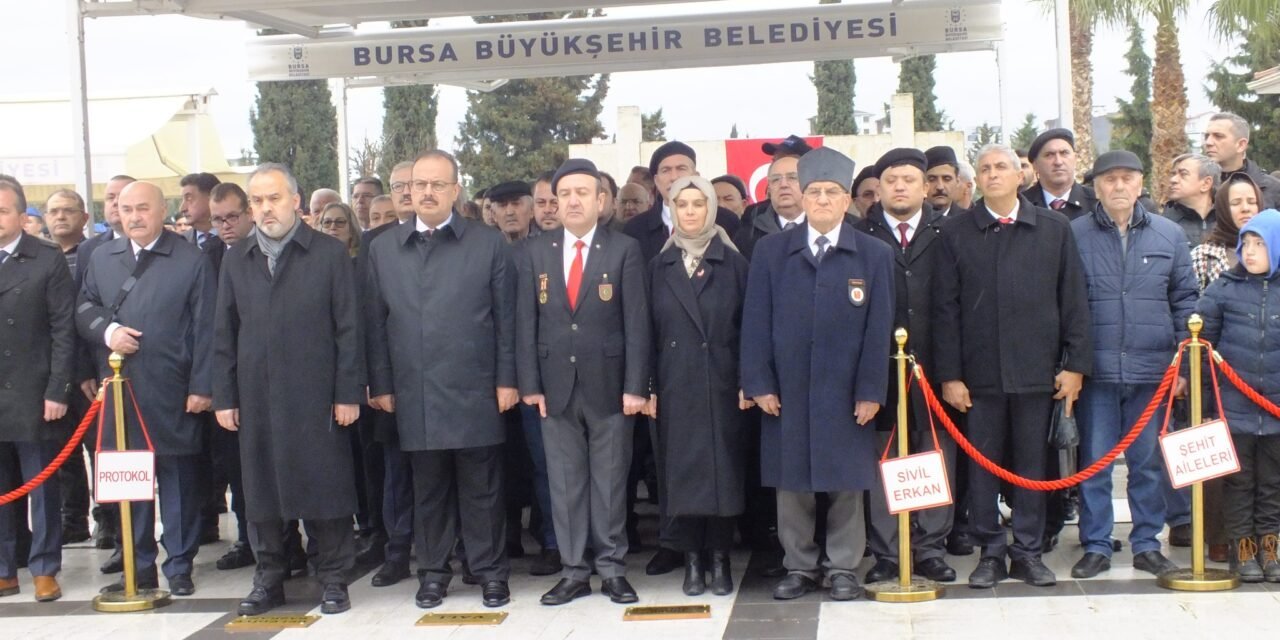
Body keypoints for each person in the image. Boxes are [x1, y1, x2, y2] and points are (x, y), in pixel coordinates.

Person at [934, 144, 1092, 588]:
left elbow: (1074, 300)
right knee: (983, 468)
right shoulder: (958, 232)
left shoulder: (1054, 228)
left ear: (1020, 175)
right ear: (976, 180)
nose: (993, 174)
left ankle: (1027, 550)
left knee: (1030, 467)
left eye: (1001, 166)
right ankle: (991, 551)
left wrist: (1075, 365)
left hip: (1037, 374)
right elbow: (945, 309)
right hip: (979, 378)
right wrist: (950, 375)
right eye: (984, 169)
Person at [740, 147, 895, 601]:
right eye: (814, 192)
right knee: (792, 483)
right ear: (801, 198)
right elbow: (754, 322)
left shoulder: (873, 254)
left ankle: (843, 567)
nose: (822, 199)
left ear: (847, 200)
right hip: (786, 388)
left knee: (846, 480)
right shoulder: (771, 252)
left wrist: (871, 390)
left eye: (831, 192)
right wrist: (759, 382)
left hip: (845, 390)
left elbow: (878, 329)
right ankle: (800, 566)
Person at [365, 150, 517, 610]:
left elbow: (506, 319)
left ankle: (489, 572)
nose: (426, 192)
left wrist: (507, 379)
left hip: (475, 386)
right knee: (427, 489)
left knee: (482, 488)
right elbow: (376, 323)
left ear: (455, 190)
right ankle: (433, 573)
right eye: (418, 185)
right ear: (408, 191)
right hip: (416, 390)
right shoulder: (383, 248)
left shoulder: (487, 243)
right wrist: (381, 384)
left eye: (437, 184)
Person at [213, 163, 362, 616]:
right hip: (257, 395)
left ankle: (334, 576)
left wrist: (348, 393)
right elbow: (223, 331)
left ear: (295, 201)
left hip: (316, 393)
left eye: (273, 199)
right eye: (256, 201)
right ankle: (270, 577)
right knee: (261, 492)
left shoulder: (327, 253)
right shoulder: (236, 258)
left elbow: (349, 329)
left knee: (325, 486)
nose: (264, 208)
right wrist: (224, 396)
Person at [516, 158, 650, 606]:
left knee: (610, 481)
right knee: (564, 483)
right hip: (554, 387)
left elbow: (637, 323)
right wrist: (530, 384)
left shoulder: (624, 249)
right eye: (564, 194)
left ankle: (612, 568)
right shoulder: (535, 251)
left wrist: (636, 386)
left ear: (600, 200)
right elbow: (525, 323)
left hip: (610, 386)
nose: (572, 201)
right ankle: (574, 570)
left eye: (582, 193)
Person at [77, 180, 215, 597]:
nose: (134, 216)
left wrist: (202, 385)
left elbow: (207, 327)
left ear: (162, 210)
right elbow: (83, 308)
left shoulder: (191, 260)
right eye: (125, 208)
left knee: (178, 480)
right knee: (129, 480)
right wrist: (110, 331)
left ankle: (179, 563)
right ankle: (138, 564)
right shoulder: (102, 257)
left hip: (174, 388)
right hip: (121, 391)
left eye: (143, 208)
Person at [1067, 150, 1197, 580]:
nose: (1118, 186)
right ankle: (1097, 544)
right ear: (1096, 187)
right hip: (1096, 371)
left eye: (1127, 178)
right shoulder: (1075, 235)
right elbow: (1065, 305)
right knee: (1096, 462)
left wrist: (1182, 364)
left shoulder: (1169, 235)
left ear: (1141, 184)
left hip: (1152, 371)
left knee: (1147, 463)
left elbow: (1185, 301)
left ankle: (1146, 543)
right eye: (1109, 179)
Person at [853, 148, 957, 584]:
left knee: (934, 454)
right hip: (878, 369)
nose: (900, 187)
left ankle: (931, 545)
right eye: (891, 179)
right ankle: (888, 550)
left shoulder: (950, 231)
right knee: (883, 459)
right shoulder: (860, 233)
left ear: (924, 186)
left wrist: (954, 373)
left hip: (935, 368)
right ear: (879, 187)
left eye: (909, 180)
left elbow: (958, 306)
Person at [647, 176, 751, 596]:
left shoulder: (734, 262)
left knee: (723, 473)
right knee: (682, 474)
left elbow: (750, 328)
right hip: (676, 383)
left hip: (723, 382)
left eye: (698, 204)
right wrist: (649, 384)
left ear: (711, 209)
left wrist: (749, 380)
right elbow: (646, 331)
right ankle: (692, 559)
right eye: (682, 204)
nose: (690, 212)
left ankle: (720, 559)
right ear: (672, 210)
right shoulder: (659, 265)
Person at [0, 177, 76, 603]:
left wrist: (57, 389)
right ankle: (4, 567)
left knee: (42, 485)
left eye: (3, 211)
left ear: (22, 216)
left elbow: (63, 329)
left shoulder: (46, 259)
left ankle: (45, 567)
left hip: (34, 390)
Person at [1197, 208, 1280, 583]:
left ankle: (1271, 549)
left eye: (1259, 244)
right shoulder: (1223, 289)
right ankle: (1242, 548)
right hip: (1235, 406)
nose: (1249, 252)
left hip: (1275, 409)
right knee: (1239, 482)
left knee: (1273, 483)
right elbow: (1200, 345)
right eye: (1245, 243)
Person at [206, 182, 257, 572]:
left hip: (265, 375)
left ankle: (289, 544)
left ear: (248, 213)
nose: (225, 225)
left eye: (231, 217)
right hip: (228, 380)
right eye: (217, 219)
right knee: (238, 471)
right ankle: (248, 540)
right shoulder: (204, 255)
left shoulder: (263, 251)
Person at [179, 172, 227, 547]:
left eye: (190, 197)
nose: (184, 206)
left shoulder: (223, 248)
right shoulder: (186, 249)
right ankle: (204, 523)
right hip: (193, 372)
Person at [1192, 174, 1264, 291]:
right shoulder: (1204, 256)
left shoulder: (1274, 250)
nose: (1245, 208)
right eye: (1236, 203)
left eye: (1252, 202)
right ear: (1223, 209)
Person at [734, 153, 806, 261]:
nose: (783, 184)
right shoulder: (748, 234)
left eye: (792, 177)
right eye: (776, 179)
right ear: (769, 188)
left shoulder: (825, 227)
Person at [1202, 112, 1280, 209]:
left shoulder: (1273, 189)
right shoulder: (1193, 186)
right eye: (1206, 137)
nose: (1208, 142)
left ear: (1241, 145)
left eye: (1218, 136)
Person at [1022, 128, 1098, 220]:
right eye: (1049, 155)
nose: (1058, 162)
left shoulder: (1097, 202)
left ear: (1075, 159)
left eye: (1064, 153)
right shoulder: (1021, 205)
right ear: (1035, 165)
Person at [1163, 153, 1221, 248]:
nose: (1173, 179)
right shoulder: (1163, 225)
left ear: (1206, 184)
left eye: (1183, 174)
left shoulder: (1227, 222)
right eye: (1173, 174)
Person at [179, 172, 222, 252]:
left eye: (189, 198)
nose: (182, 208)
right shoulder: (180, 243)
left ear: (212, 198)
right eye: (182, 200)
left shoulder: (237, 237)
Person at [924, 146, 963, 217]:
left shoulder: (969, 222)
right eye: (932, 179)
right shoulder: (911, 221)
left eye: (947, 179)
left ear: (957, 181)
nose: (940, 187)